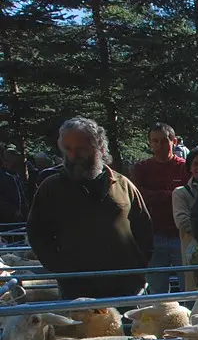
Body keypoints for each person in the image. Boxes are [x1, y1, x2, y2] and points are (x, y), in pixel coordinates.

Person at [26, 116, 152, 299]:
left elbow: (144, 228)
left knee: (127, 327)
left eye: (80, 149)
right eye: (67, 149)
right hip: (78, 288)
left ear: (99, 148)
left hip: (125, 285)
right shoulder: (50, 188)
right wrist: (60, 268)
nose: (72, 155)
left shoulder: (123, 185)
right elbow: (37, 233)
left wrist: (138, 264)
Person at [131, 123, 189, 293]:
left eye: (164, 141)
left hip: (181, 235)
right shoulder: (142, 168)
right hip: (154, 235)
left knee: (188, 286)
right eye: (154, 141)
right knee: (157, 291)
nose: (159, 146)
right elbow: (139, 195)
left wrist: (156, 195)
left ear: (174, 141)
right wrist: (172, 195)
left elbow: (189, 195)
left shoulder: (185, 167)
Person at [171, 147, 198, 290]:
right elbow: (182, 221)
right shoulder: (181, 193)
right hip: (193, 254)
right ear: (190, 167)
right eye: (195, 164)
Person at [0, 146, 26, 222]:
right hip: (7, 217)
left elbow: (20, 194)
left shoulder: (14, 174)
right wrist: (14, 211)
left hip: (19, 216)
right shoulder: (3, 176)